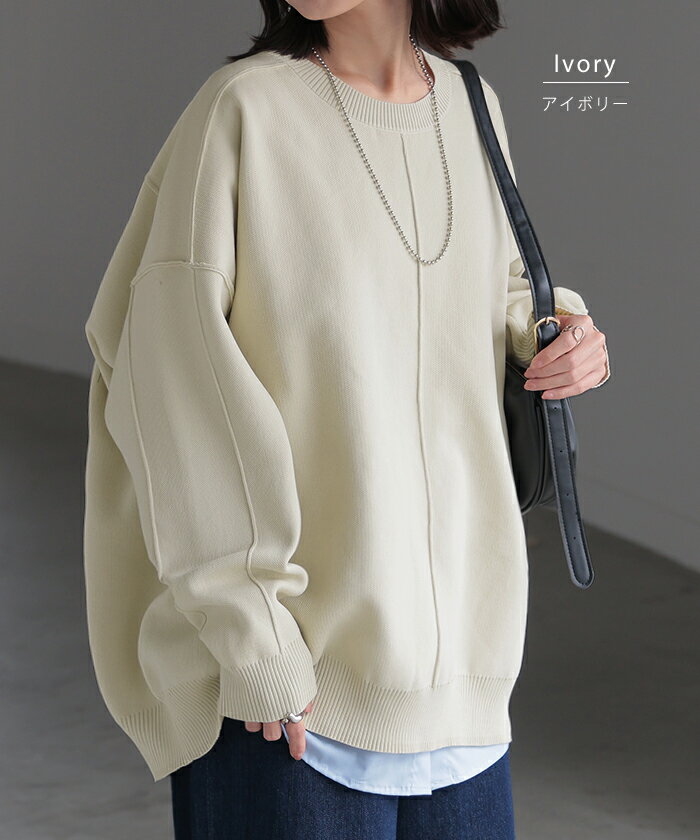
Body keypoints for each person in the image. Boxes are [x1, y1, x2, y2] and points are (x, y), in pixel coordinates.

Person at [82, 0, 610, 837]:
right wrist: (255, 640)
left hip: (464, 693)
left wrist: (561, 331)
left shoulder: (472, 105)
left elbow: (492, 282)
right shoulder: (245, 110)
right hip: (289, 692)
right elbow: (168, 379)